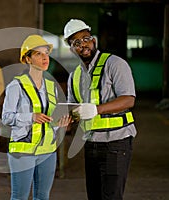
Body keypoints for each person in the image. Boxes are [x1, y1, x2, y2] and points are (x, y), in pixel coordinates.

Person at [63, 19, 137, 200]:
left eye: (85, 39)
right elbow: (74, 109)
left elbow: (129, 99)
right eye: (76, 43)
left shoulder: (115, 64)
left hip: (116, 142)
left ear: (93, 40)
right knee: (94, 196)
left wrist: (97, 109)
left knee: (111, 196)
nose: (83, 45)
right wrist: (66, 122)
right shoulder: (75, 76)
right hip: (91, 143)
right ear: (72, 49)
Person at [2, 34, 71, 200]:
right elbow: (6, 118)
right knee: (20, 197)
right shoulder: (16, 86)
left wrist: (59, 123)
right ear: (27, 59)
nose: (44, 57)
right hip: (23, 151)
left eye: (46, 53)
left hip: (48, 151)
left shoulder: (51, 87)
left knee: (43, 197)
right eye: (38, 54)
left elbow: (50, 120)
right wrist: (31, 117)